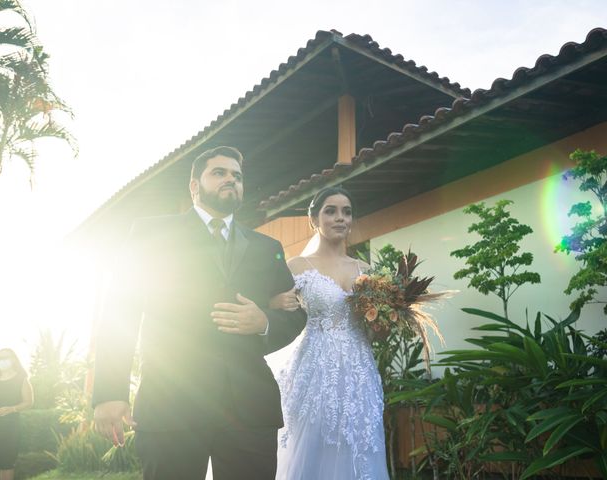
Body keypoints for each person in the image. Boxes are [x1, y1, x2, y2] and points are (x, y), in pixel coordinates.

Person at [92, 146, 307, 480]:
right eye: (219, 173)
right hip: (171, 402)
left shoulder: (269, 249)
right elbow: (120, 310)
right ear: (194, 186)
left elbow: (295, 315)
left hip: (248, 408)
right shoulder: (151, 233)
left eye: (237, 176)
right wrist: (109, 393)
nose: (230, 180)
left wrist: (264, 322)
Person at [270, 186, 390, 479]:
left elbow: (377, 328)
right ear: (314, 219)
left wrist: (387, 319)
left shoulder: (366, 269)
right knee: (312, 445)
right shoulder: (297, 266)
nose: (340, 218)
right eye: (331, 211)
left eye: (346, 212)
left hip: (359, 371)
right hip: (313, 372)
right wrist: (274, 302)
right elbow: (276, 309)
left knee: (359, 443)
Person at [0, 348, 34, 480]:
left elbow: (29, 402)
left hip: (10, 428)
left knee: (6, 463)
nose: (3, 361)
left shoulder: (22, 379)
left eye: (6, 358)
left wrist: (12, 409)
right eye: (0, 358)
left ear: (13, 359)